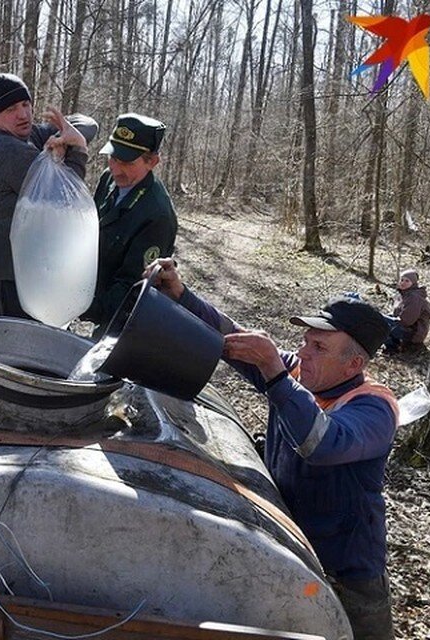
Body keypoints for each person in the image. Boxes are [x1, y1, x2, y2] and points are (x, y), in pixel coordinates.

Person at [148, 258, 398, 640]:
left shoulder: (375, 407)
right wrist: (181, 297)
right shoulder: (299, 374)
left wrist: (275, 374)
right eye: (304, 341)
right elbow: (234, 341)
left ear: (353, 365)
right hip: (292, 551)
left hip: (348, 574)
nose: (304, 352)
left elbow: (322, 443)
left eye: (318, 346)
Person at [0, 72, 98, 317]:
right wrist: (77, 148)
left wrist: (63, 133)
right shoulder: (5, 150)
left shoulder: (25, 136)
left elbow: (89, 123)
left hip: (23, 278)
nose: (23, 114)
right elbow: (66, 199)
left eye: (26, 104)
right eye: (11, 109)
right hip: (2, 282)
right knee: (9, 354)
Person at [81, 113, 177, 332]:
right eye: (113, 157)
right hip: (100, 301)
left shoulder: (157, 215)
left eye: (126, 162)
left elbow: (131, 289)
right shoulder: (109, 179)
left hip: (129, 320)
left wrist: (82, 306)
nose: (115, 168)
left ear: (152, 162)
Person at [383, 268, 430, 353]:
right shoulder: (403, 294)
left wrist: (384, 318)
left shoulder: (415, 298)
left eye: (407, 281)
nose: (403, 283)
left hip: (414, 333)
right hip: (404, 327)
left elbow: (406, 321)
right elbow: (396, 314)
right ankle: (394, 344)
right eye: (401, 280)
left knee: (380, 325)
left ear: (413, 283)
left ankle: (393, 348)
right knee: (378, 321)